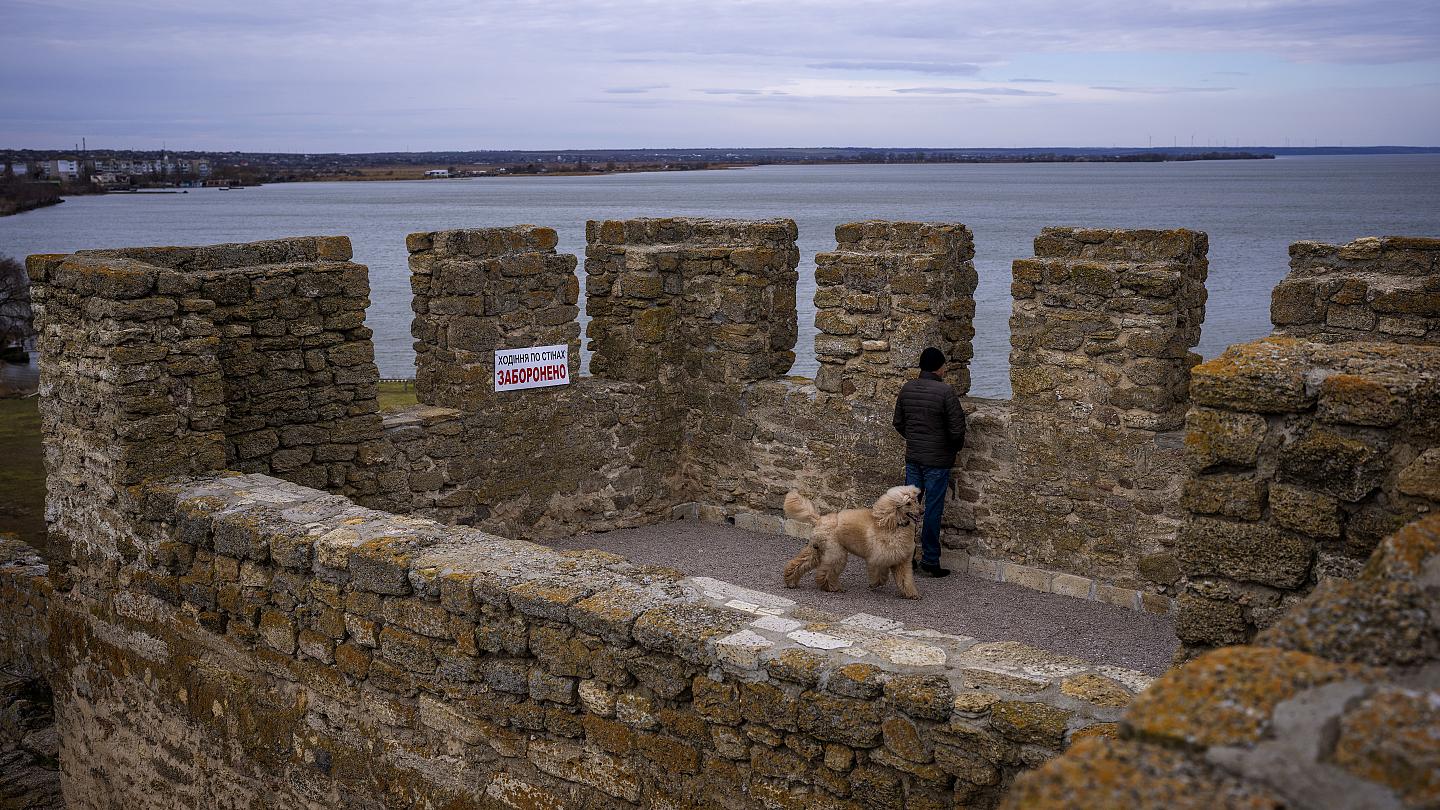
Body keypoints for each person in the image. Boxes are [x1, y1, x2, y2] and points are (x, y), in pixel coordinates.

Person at [892, 346, 967, 577]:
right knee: (932, 509)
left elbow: (898, 422)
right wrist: (949, 449)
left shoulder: (907, 388)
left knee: (907, 509)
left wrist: (915, 439)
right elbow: (957, 430)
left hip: (914, 457)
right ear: (939, 367)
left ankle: (905, 556)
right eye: (944, 365)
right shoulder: (945, 392)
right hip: (937, 461)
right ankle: (931, 561)